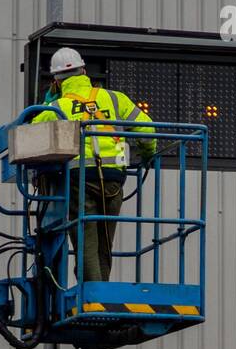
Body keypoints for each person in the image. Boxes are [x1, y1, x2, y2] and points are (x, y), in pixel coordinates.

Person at [33, 47, 156, 283]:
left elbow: (29, 132)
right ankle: (101, 290)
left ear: (56, 82)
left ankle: (92, 295)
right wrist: (148, 154)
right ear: (84, 71)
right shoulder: (115, 98)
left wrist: (44, 105)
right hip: (114, 178)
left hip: (79, 178)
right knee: (104, 242)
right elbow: (148, 131)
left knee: (85, 240)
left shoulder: (57, 108)